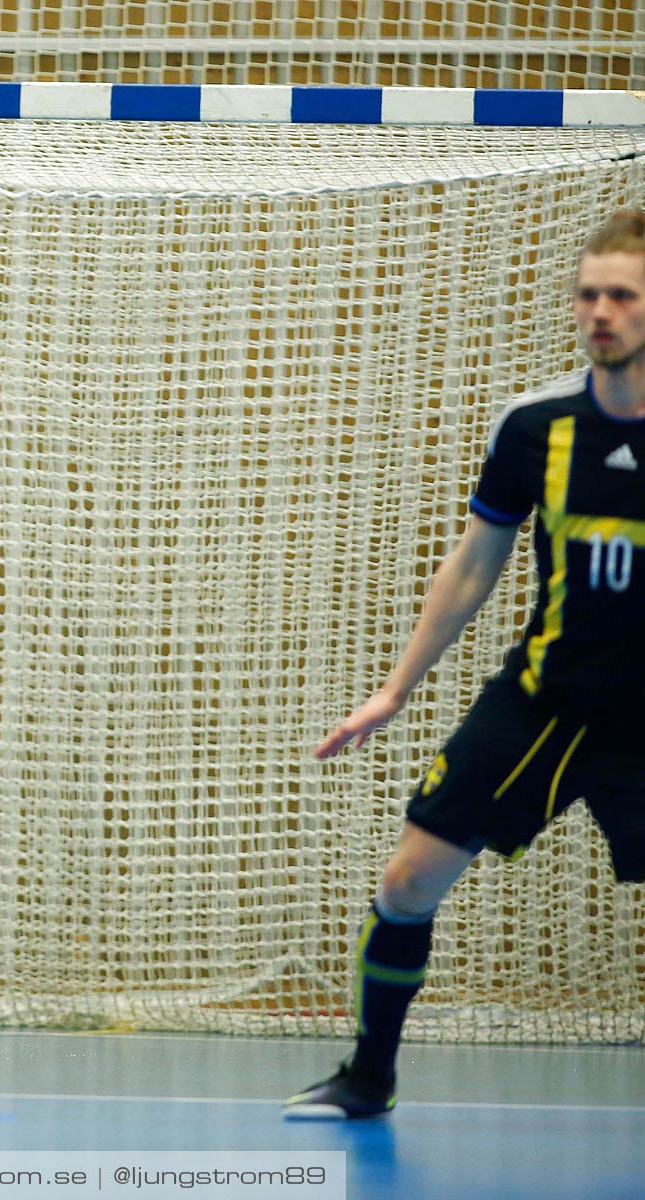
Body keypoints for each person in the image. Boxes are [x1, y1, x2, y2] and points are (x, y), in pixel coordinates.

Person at [285, 209, 645, 1119]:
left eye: (623, 296)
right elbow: (476, 561)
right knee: (407, 882)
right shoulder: (535, 429)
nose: (601, 311)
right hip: (544, 702)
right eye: (589, 294)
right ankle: (369, 1077)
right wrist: (394, 690)